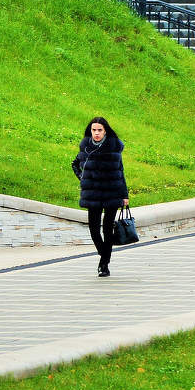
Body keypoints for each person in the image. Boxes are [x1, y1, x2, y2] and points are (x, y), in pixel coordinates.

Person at [72, 116, 129, 278]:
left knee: (107, 229)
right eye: (94, 130)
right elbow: (75, 164)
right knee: (94, 229)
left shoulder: (114, 147)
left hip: (112, 191)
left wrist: (124, 195)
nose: (96, 133)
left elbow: (121, 172)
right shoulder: (86, 146)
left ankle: (104, 264)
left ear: (105, 131)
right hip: (93, 193)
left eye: (100, 130)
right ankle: (104, 254)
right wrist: (83, 178)